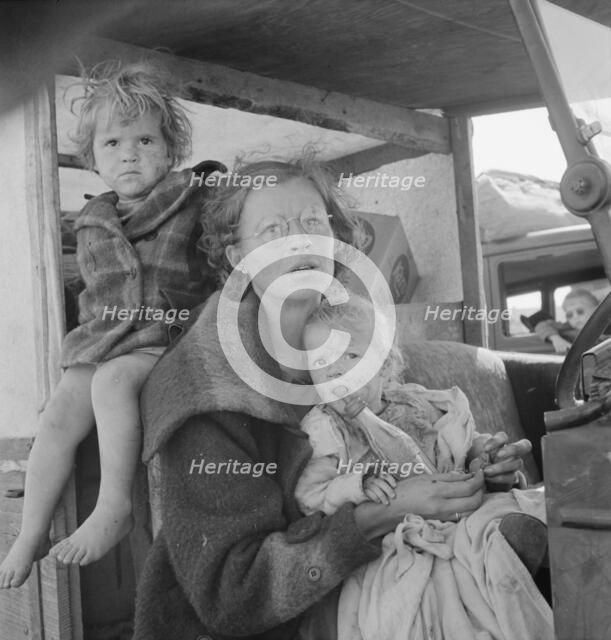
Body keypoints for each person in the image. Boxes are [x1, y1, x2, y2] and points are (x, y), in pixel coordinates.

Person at [132, 157, 532, 640]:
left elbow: (416, 444)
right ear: (236, 255)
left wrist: (476, 468)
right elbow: (231, 594)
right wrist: (383, 510)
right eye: (273, 229)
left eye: (311, 222)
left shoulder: (358, 337)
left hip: (393, 565)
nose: (298, 240)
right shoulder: (203, 386)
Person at [0, 60, 217, 588]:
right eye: (113, 144)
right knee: (57, 414)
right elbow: (89, 291)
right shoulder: (92, 220)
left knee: (113, 380)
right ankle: (31, 533)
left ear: (170, 151)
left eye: (144, 141)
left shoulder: (195, 201)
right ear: (93, 160)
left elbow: (220, 261)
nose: (129, 154)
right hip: (103, 339)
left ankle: (115, 505)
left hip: (164, 334)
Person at [295, 294, 551, 640]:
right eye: (322, 360)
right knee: (430, 585)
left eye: (351, 356)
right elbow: (311, 497)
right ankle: (507, 560)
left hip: (458, 508)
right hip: (396, 536)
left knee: (532, 504)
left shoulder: (415, 402)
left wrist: (483, 456)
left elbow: (454, 446)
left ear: (384, 365)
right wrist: (357, 483)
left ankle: (519, 546)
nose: (336, 370)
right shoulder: (325, 428)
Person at [533, 288, 599, 354]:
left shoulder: (606, 329)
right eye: (569, 315)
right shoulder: (566, 327)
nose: (575, 317)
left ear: (596, 310)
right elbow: (541, 325)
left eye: (580, 311)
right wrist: (556, 339)